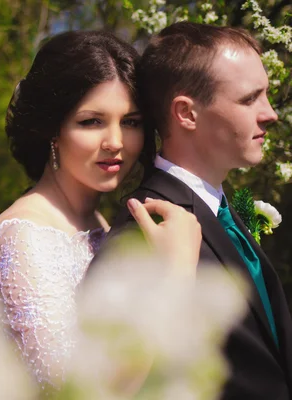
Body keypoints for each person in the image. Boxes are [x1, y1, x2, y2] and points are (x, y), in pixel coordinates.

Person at [0, 30, 201, 389]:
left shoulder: (97, 223)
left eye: (131, 122)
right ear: (52, 130)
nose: (115, 142)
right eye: (91, 121)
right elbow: (79, 391)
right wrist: (174, 279)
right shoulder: (22, 241)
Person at [96, 22, 292, 399]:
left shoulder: (228, 211)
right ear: (186, 113)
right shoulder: (144, 233)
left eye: (266, 95)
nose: (271, 114)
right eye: (250, 99)